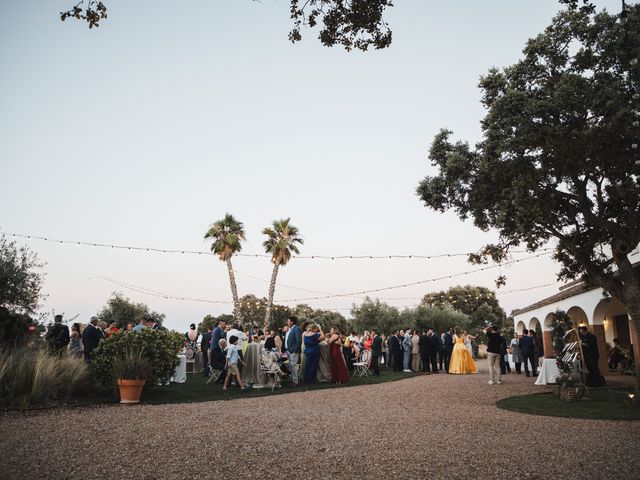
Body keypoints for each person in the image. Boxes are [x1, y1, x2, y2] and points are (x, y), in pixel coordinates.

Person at [285, 316, 302, 386]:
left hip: (293, 351)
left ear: (292, 322)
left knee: (293, 365)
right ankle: (292, 379)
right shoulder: (289, 329)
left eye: (288, 321)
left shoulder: (297, 329)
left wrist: (295, 350)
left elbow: (299, 340)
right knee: (289, 365)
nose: (287, 322)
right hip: (287, 350)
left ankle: (295, 381)